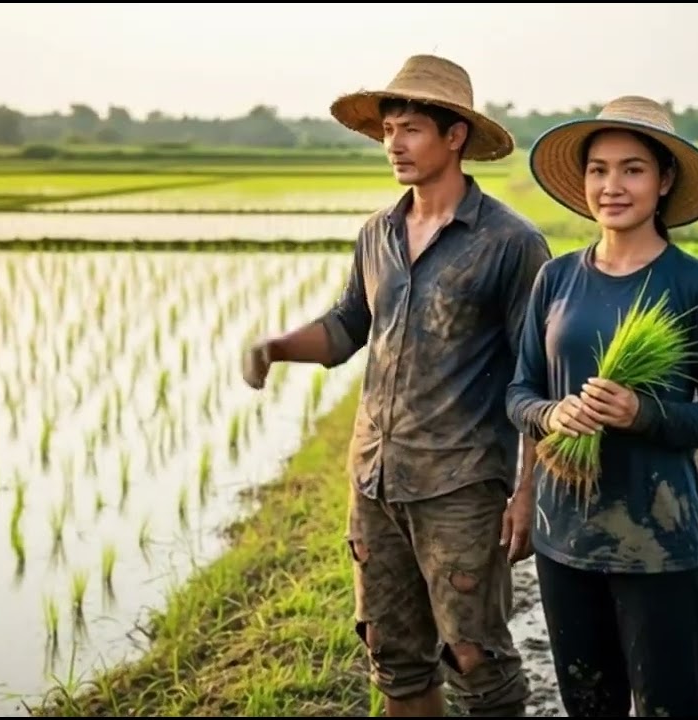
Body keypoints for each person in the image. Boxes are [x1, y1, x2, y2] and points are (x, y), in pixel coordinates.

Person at [241, 54, 552, 717]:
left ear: (455, 136)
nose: (394, 144)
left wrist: (526, 494)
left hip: (462, 487)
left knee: (476, 657)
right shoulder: (377, 233)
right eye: (388, 130)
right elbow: (347, 326)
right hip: (375, 480)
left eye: (411, 128)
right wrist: (275, 346)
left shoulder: (510, 244)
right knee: (392, 652)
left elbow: (540, 378)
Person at [504, 95, 698, 717]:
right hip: (565, 541)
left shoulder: (693, 283)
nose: (612, 186)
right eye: (599, 169)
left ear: (664, 181)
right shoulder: (556, 278)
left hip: (657, 541)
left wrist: (643, 413)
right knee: (589, 705)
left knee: (669, 707)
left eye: (633, 169)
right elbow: (519, 391)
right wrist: (551, 415)